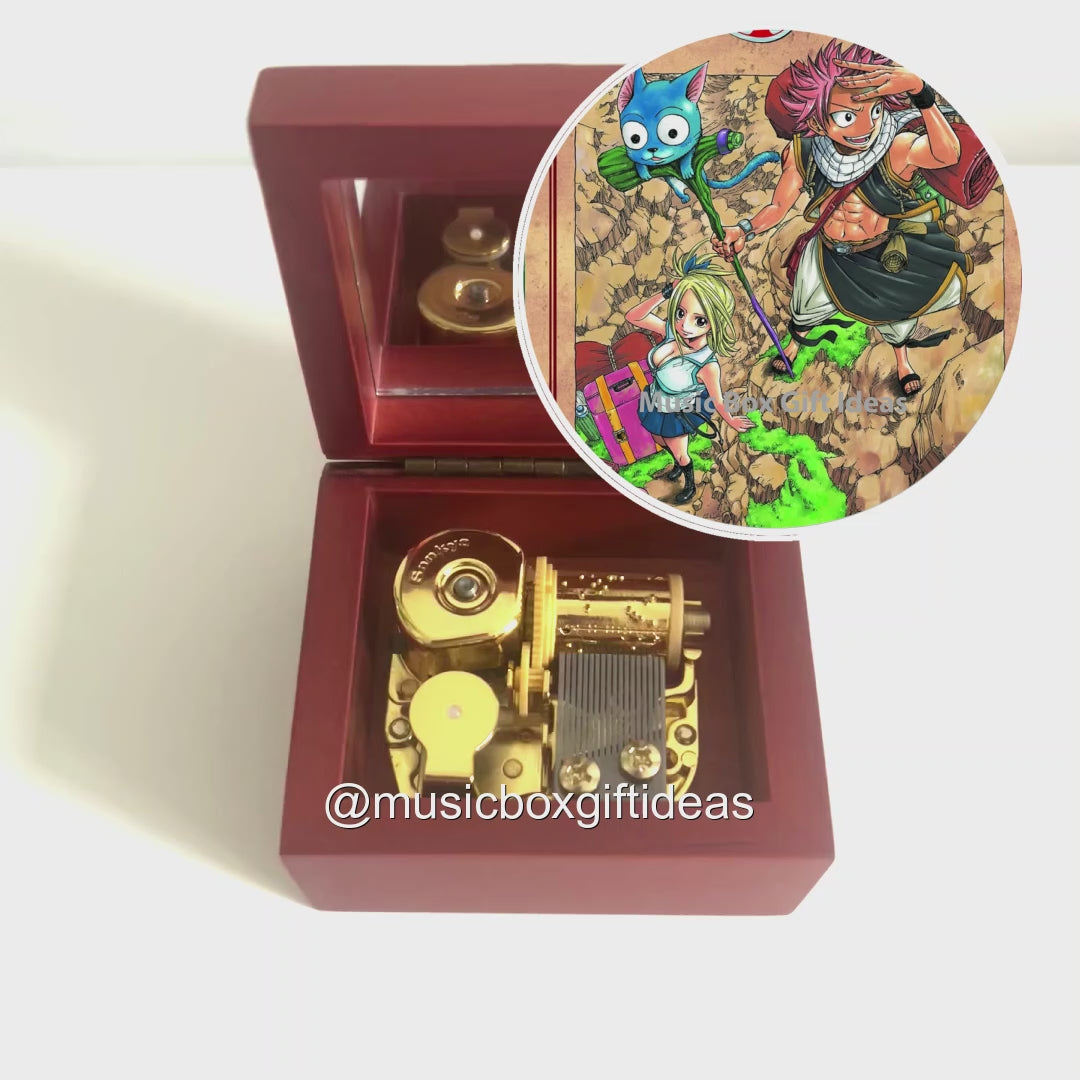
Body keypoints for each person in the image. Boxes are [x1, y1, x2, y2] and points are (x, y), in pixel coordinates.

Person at [714, 39, 971, 397]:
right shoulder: (804, 151)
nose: (865, 126)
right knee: (805, 305)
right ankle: (794, 345)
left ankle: (902, 362)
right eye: (846, 117)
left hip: (882, 251)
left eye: (874, 110)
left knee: (897, 315)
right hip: (828, 251)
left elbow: (947, 154)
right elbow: (778, 206)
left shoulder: (896, 146)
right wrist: (744, 229)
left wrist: (921, 92)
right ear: (816, 119)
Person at [627, 243, 754, 506]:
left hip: (677, 412)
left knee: (681, 452)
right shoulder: (672, 332)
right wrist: (666, 293)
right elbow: (634, 317)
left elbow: (717, 399)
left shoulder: (707, 363)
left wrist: (731, 421)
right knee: (660, 440)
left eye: (700, 320)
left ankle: (688, 481)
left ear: (714, 323)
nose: (685, 325)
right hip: (655, 402)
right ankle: (677, 464)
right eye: (681, 313)